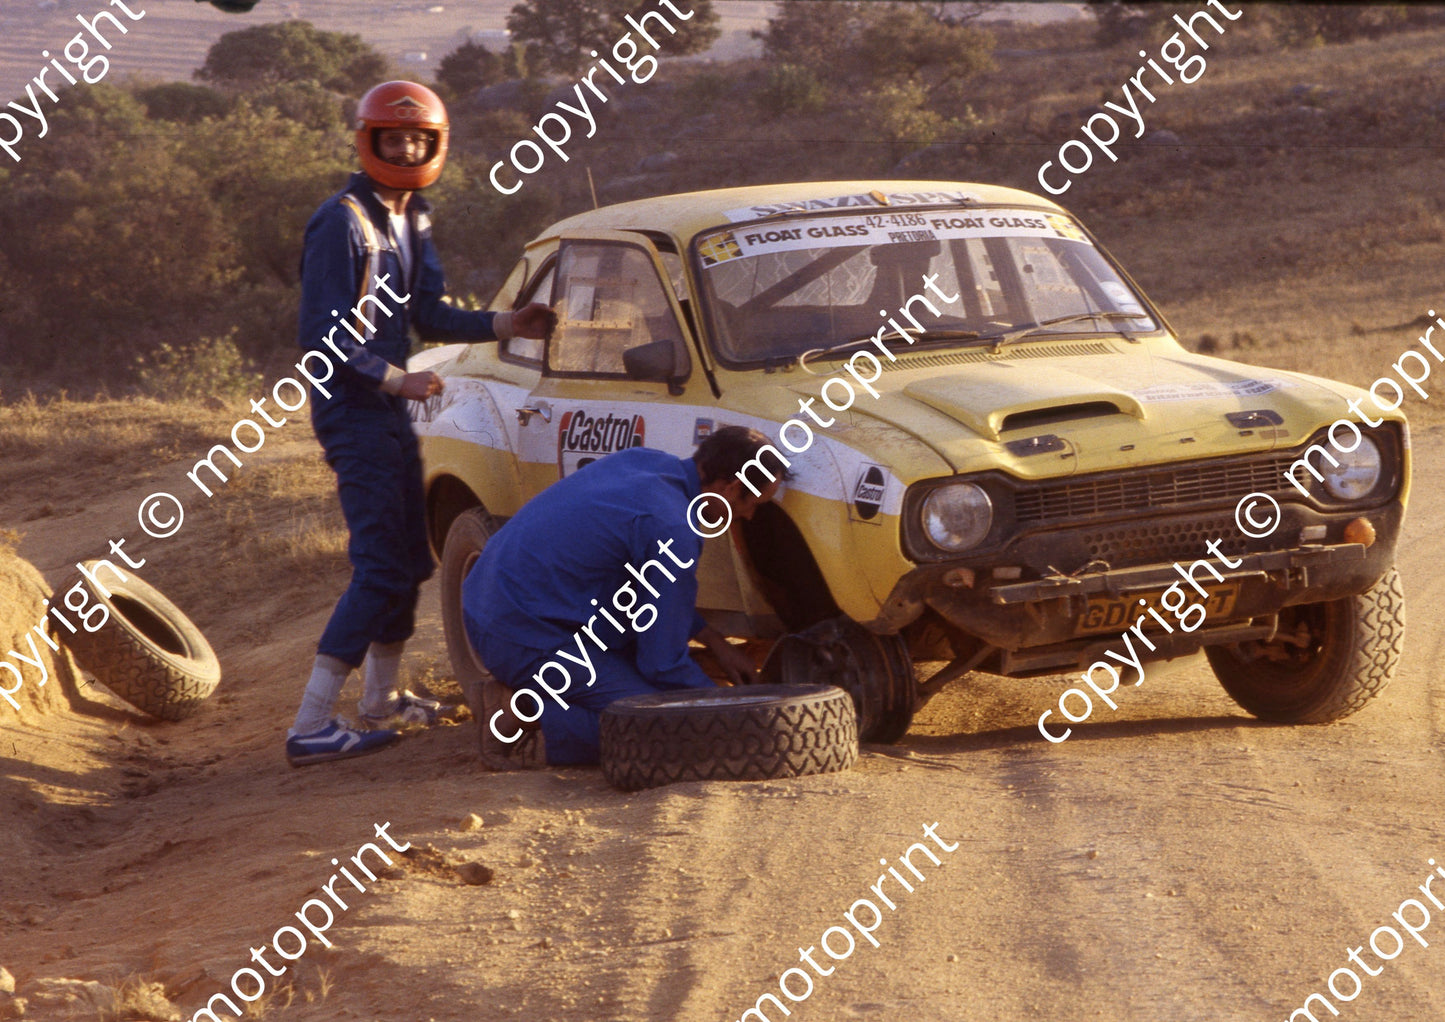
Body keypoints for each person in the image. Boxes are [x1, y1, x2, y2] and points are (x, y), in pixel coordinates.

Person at [287, 80, 555, 766]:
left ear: (435, 144)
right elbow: (321, 336)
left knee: (409, 560)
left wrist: (504, 324)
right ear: (367, 140)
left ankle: (379, 704)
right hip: (352, 408)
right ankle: (311, 723)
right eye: (392, 137)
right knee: (380, 565)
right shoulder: (341, 220)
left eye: (417, 139)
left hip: (386, 409)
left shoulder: (412, 216)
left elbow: (428, 310)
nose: (405, 148)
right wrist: (396, 378)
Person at [463, 426, 781, 768]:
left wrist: (714, 641)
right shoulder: (673, 528)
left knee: (661, 693)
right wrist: (727, 712)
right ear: (730, 489)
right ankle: (519, 710)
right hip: (521, 631)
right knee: (668, 730)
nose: (749, 516)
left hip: (491, 598)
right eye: (752, 505)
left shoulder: (645, 462)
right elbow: (662, 663)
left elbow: (654, 591)